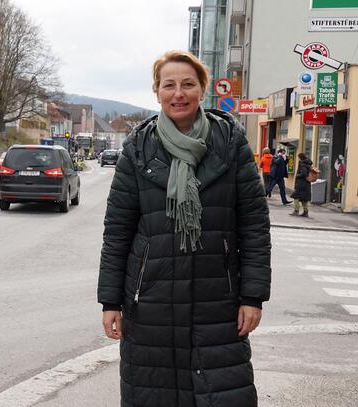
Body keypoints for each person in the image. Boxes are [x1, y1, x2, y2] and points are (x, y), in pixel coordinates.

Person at [98, 50, 271, 407]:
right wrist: (110, 301)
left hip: (218, 303)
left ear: (202, 90)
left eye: (188, 84)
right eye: (169, 85)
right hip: (150, 304)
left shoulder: (230, 142)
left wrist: (252, 297)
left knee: (221, 394)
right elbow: (117, 231)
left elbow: (254, 225)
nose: (179, 93)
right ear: (157, 92)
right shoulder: (138, 148)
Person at [290, 152, 313, 217]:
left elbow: (304, 173)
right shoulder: (308, 163)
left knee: (295, 196)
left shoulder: (303, 164)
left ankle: (296, 211)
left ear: (300, 157)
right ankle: (306, 212)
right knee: (304, 198)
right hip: (306, 184)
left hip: (301, 183)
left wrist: (298, 175)